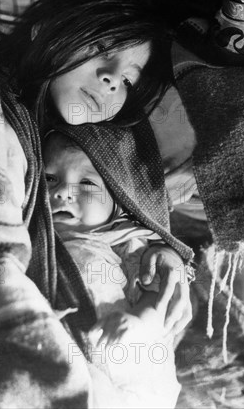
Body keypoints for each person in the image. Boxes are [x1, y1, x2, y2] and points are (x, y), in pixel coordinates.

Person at [0, 0, 194, 339]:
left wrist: (164, 253)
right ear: (47, 30)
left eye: (129, 80)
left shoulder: (106, 139)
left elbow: (137, 215)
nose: (113, 78)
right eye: (102, 48)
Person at [42, 130, 181, 408]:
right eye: (49, 178)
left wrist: (142, 323)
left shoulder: (126, 243)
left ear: (118, 201)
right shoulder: (40, 242)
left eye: (87, 183)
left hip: (130, 370)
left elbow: (157, 296)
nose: (62, 192)